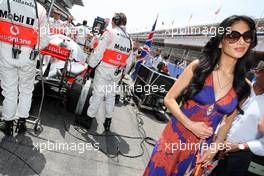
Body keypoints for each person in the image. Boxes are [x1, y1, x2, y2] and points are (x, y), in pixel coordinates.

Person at [143, 15, 257, 176]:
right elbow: (169, 99)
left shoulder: (243, 86)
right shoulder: (198, 67)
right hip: (174, 138)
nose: (241, 41)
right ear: (220, 41)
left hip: (201, 149)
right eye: (233, 35)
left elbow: (226, 123)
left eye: (247, 37)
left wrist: (215, 147)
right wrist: (191, 125)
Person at [0, 0, 50, 136]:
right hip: (29, 58)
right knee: (26, 91)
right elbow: (45, 39)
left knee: (9, 90)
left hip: (5, 54)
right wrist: (32, 47)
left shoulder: (3, 3)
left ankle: (8, 123)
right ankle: (21, 123)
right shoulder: (40, 9)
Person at [75, 13, 132, 131]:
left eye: (112, 20)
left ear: (115, 21)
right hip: (117, 72)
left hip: (105, 70)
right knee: (110, 96)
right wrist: (122, 73)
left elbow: (98, 53)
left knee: (98, 94)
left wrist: (90, 66)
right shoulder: (129, 39)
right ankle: (108, 121)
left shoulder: (110, 33)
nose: (111, 22)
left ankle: (88, 119)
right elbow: (129, 61)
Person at [209, 60, 264, 176]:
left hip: (241, 157)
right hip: (216, 143)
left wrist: (238, 147)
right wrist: (218, 139)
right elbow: (221, 113)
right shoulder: (241, 89)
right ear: (258, 72)